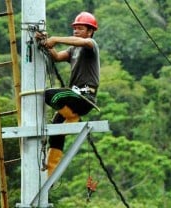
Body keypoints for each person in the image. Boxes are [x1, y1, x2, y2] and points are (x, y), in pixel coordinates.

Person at [36, 11, 100, 177]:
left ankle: (72, 117)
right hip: (74, 97)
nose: (76, 31)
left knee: (51, 95)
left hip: (85, 97)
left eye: (80, 28)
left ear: (90, 31)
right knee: (57, 128)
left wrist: (56, 39)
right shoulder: (73, 50)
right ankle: (50, 172)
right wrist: (44, 43)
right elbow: (56, 57)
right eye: (75, 29)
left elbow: (83, 43)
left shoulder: (90, 45)